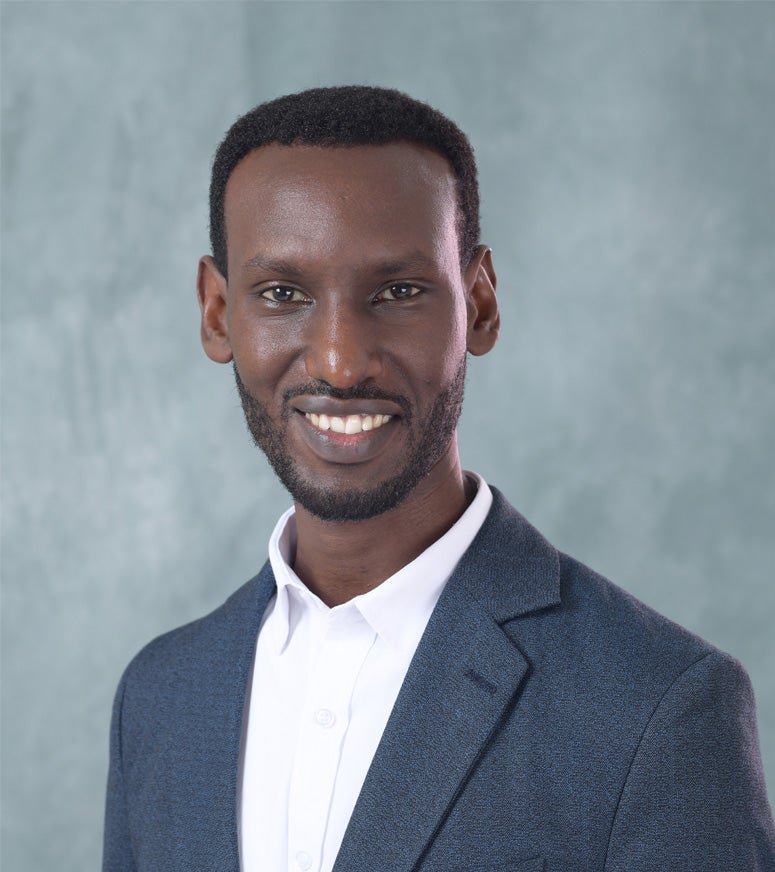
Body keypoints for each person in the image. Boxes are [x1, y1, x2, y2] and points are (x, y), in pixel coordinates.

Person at [102, 86, 774, 872]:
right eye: (283, 294)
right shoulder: (159, 697)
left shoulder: (657, 707)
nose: (340, 362)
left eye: (397, 292)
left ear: (479, 305)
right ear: (218, 312)